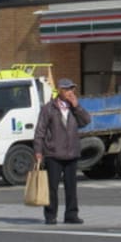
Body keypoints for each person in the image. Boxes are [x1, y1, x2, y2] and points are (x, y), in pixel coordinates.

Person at [33, 78, 91, 225]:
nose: (70, 92)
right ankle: (50, 215)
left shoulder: (74, 108)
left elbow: (86, 121)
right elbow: (40, 131)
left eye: (72, 89)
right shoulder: (48, 108)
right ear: (60, 90)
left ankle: (71, 214)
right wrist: (38, 151)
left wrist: (77, 106)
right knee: (52, 187)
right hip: (54, 153)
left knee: (71, 187)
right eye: (67, 89)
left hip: (72, 153)